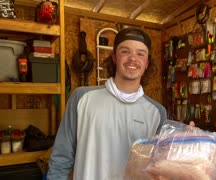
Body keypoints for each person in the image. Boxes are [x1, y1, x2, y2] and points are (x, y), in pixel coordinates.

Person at [47, 27, 167, 180]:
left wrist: (187, 140)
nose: (132, 58)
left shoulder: (157, 112)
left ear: (147, 63)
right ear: (114, 57)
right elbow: (61, 158)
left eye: (140, 54)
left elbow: (161, 165)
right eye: (125, 51)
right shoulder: (81, 98)